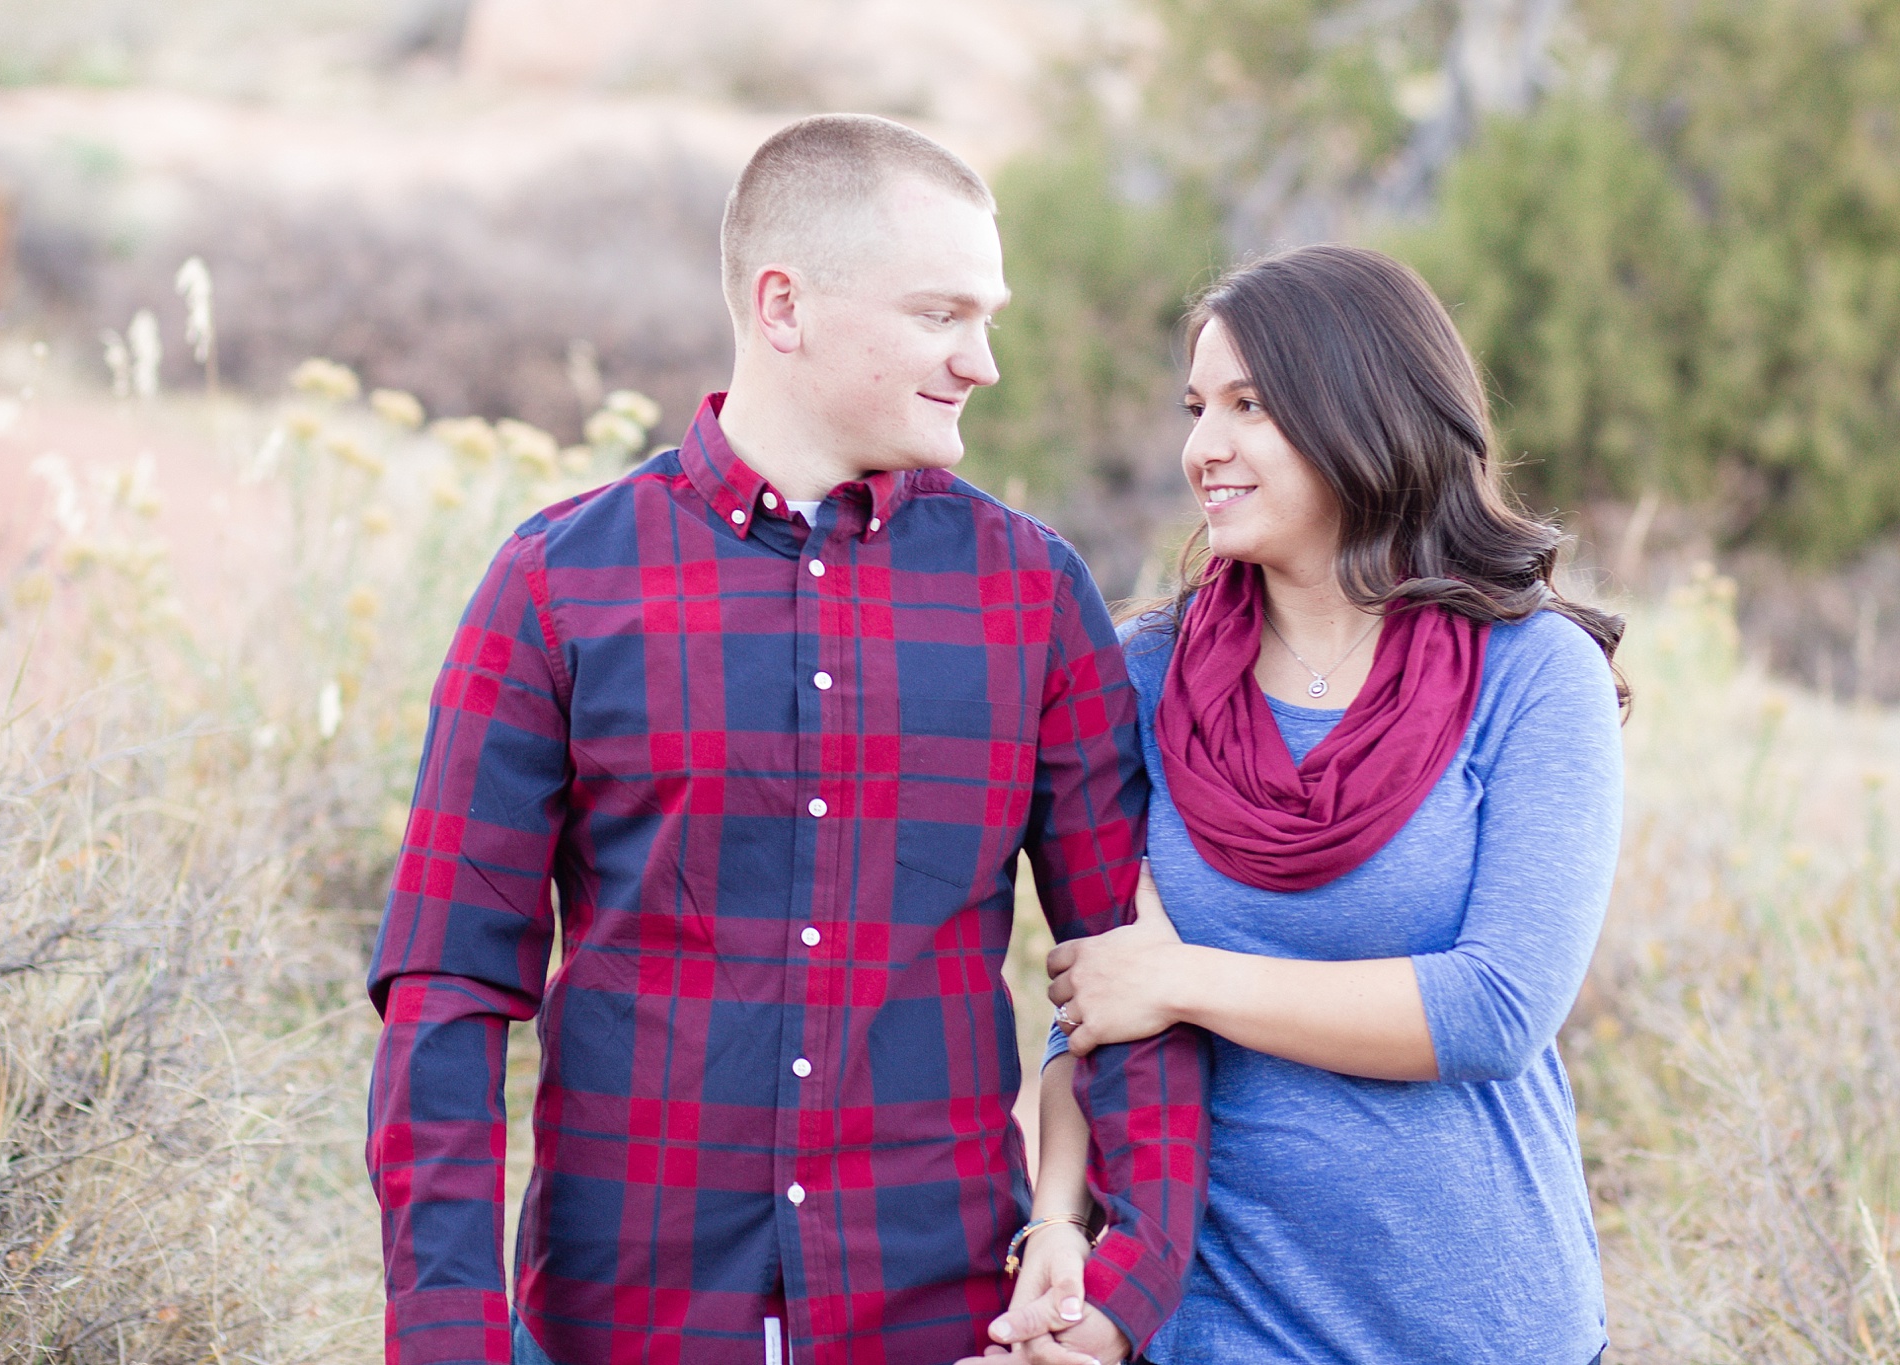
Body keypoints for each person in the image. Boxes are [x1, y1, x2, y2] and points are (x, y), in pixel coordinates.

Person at [364, 113, 1207, 1365]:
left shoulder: (1030, 596)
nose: (980, 360)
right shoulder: (555, 585)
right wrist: (445, 1333)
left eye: (988, 318)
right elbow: (446, 990)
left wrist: (1120, 1285)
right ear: (783, 306)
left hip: (943, 1322)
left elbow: (1122, 975)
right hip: (625, 1320)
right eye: (939, 315)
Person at [998, 244, 1626, 1364]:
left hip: (1474, 1325)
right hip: (1213, 1326)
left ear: (1364, 414)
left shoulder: (1531, 673)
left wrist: (1185, 980)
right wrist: (1057, 1225)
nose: (1203, 448)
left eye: (1249, 405)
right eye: (1195, 407)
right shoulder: (1146, 677)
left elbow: (1492, 1011)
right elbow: (1094, 999)